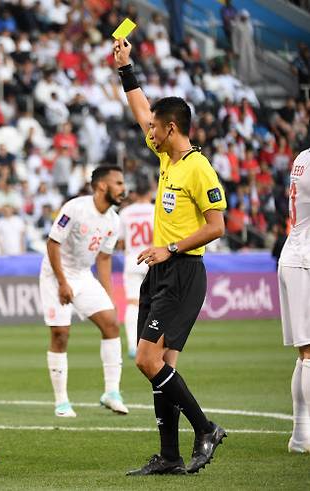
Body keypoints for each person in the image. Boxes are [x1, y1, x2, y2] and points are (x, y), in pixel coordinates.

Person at [114, 37, 228, 475]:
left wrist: (171, 247)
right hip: (162, 272)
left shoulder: (198, 168)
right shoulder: (168, 158)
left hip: (183, 271)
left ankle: (205, 428)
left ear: (173, 130)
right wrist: (127, 69)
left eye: (156, 129)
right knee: (162, 368)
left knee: (147, 361)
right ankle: (171, 456)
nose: (150, 132)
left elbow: (217, 225)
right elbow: (143, 111)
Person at [39, 166, 128, 418]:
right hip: (55, 274)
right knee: (60, 334)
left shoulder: (113, 219)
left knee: (111, 323)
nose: (123, 189)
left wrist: (109, 294)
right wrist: (62, 282)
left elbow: (104, 258)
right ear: (102, 186)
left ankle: (111, 392)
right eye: (119, 183)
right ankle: (62, 402)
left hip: (82, 275)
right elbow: (52, 243)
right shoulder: (75, 208)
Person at [277, 146, 310, 453]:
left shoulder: (303, 157)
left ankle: (300, 437)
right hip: (304, 260)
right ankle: (301, 436)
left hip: (296, 254)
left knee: (306, 355)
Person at [117, 177, 154, 359]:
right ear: (150, 192)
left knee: (133, 304)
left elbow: (121, 242)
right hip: (153, 259)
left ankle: (133, 345)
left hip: (132, 260)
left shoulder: (125, 213)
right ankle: (153, 344)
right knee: (156, 303)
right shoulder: (156, 211)